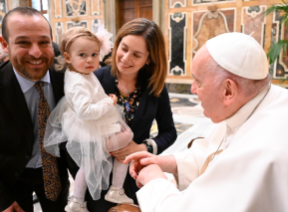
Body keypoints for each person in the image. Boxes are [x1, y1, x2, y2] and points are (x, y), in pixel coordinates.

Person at [124, 32, 288, 212]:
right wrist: (168, 162)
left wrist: (153, 179)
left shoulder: (261, 149)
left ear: (228, 91)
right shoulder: (254, 101)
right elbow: (214, 152)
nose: (193, 89)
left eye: (198, 82)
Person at [0, 6, 76, 212]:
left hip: (55, 170)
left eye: (43, 42)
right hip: (10, 176)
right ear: (4, 44)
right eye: (23, 42)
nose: (36, 52)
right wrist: (1, 201)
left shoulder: (68, 76)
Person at [85, 18, 177, 211]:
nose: (126, 58)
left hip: (136, 180)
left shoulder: (155, 88)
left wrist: (142, 147)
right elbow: (77, 128)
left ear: (149, 58)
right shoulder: (96, 80)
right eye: (124, 48)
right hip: (98, 179)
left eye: (136, 55)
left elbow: (169, 132)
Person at [44, 27, 134, 212]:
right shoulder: (77, 81)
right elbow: (85, 111)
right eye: (83, 55)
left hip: (90, 126)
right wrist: (109, 103)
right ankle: (115, 188)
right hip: (89, 126)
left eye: (94, 54)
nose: (90, 60)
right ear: (68, 58)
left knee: (89, 164)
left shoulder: (81, 73)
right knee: (126, 137)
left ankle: (78, 201)